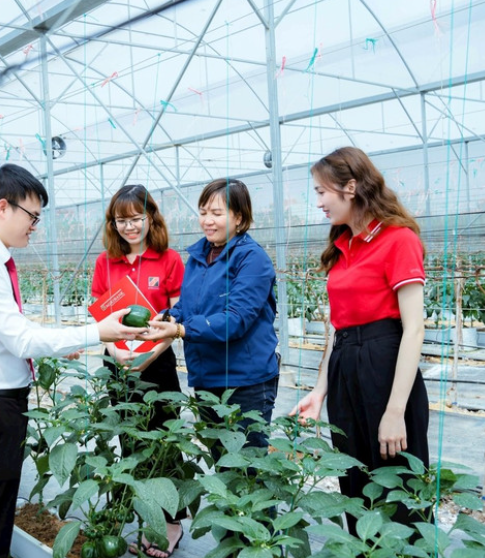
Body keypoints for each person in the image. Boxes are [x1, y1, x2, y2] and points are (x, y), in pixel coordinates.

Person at [0, 164, 147, 558]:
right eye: (32, 216)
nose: (34, 226)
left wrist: (56, 343)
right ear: (3, 207)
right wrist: (96, 332)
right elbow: (20, 338)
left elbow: (9, 331)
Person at [289, 146, 430, 534]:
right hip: (345, 369)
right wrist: (320, 390)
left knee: (398, 486)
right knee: (354, 481)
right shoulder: (342, 246)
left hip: (384, 367)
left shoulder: (398, 239)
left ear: (350, 188)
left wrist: (395, 411)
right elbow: (338, 328)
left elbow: (414, 329)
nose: (319, 202)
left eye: (322, 192)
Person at [141, 178, 279, 453]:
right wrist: (168, 317)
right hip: (206, 378)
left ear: (239, 217)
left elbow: (236, 319)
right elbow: (188, 305)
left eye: (217, 213)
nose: (207, 220)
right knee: (220, 458)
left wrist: (180, 330)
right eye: (203, 212)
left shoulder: (252, 259)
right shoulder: (198, 256)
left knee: (246, 464)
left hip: (244, 381)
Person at [91, 184, 186, 558]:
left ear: (151, 218)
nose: (129, 226)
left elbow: (177, 318)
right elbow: (100, 316)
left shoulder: (169, 260)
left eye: (136, 218)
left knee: (164, 441)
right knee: (129, 440)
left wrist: (149, 355)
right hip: (117, 362)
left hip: (157, 361)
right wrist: (117, 352)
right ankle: (147, 520)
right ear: (112, 224)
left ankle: (172, 523)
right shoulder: (105, 262)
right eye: (121, 220)